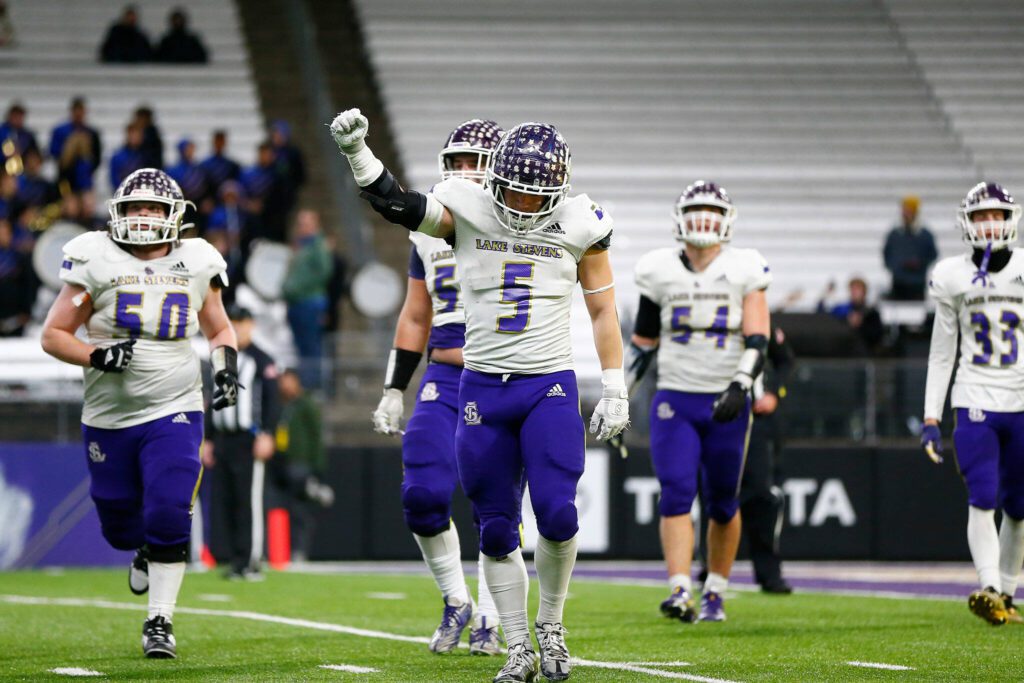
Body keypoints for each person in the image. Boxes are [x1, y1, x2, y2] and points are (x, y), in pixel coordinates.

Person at [331, 109, 629, 683]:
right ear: (496, 180)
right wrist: (358, 156)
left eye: (533, 196)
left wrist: (615, 388)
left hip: (548, 386)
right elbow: (397, 203)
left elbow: (603, 310)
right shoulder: (467, 208)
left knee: (559, 515)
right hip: (483, 388)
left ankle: (552, 626)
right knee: (494, 527)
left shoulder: (582, 221)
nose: (521, 207)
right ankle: (516, 644)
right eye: (513, 192)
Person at [39, 168, 239, 658]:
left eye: (153, 208)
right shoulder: (96, 258)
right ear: (117, 214)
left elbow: (219, 330)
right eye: (134, 208)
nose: (143, 217)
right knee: (120, 529)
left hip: (175, 405)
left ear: (175, 217)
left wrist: (226, 370)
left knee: (171, 511)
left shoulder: (196, 261)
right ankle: (142, 548)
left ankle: (160, 621)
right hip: (110, 415)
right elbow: (54, 335)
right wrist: (95, 355)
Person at [371, 119, 506, 656]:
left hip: (502, 376)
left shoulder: (522, 228)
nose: (466, 173)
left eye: (478, 161)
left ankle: (493, 618)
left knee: (494, 508)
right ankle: (457, 601)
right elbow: (414, 315)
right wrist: (392, 388)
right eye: (459, 162)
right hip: (446, 376)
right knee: (423, 496)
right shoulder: (429, 232)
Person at [627, 180, 771, 624]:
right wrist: (618, 396)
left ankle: (716, 591)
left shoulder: (746, 266)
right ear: (678, 219)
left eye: (711, 209)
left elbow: (758, 336)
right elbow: (643, 343)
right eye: (695, 209)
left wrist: (741, 385)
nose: (703, 219)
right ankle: (679, 588)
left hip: (727, 397)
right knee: (675, 492)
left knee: (724, 501)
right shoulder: (658, 270)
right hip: (675, 396)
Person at [921, 181, 1024, 626]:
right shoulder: (951, 274)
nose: (988, 223)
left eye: (995, 215)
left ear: (1009, 219)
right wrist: (931, 416)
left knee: (1019, 506)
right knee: (982, 495)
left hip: (1021, 397)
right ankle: (989, 586)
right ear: (967, 222)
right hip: (974, 395)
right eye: (980, 216)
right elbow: (943, 350)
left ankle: (1007, 592)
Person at [202, 304, 279, 580]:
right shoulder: (221, 358)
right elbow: (213, 401)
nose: (238, 328)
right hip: (223, 438)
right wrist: (208, 438)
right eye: (232, 322)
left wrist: (268, 432)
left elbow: (272, 400)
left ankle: (250, 558)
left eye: (242, 322)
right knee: (225, 499)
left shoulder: (262, 359)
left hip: (249, 438)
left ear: (251, 325)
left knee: (248, 501)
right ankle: (231, 557)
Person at [272, 368, 333, 562]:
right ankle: (278, 550)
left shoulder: (306, 404)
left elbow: (316, 436)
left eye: (288, 380)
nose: (284, 385)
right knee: (282, 508)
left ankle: (299, 550)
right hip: (283, 464)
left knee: (299, 510)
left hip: (301, 464)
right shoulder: (284, 405)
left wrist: (316, 469)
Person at [281, 209, 333, 389]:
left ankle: (314, 388)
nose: (302, 227)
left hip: (309, 303)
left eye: (306, 223)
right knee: (300, 348)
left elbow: (324, 273)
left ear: (315, 224)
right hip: (296, 303)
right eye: (300, 223)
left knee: (311, 349)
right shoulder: (300, 246)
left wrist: (297, 288)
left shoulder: (318, 246)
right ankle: (305, 386)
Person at [49, 97, 102, 220]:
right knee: (70, 208)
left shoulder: (91, 133)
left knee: (88, 207)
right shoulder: (61, 131)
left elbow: (96, 159)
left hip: (85, 181)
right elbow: (55, 155)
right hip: (66, 181)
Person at [883, 195, 938, 301]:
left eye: (910, 211)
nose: (907, 214)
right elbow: (886, 254)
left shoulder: (925, 235)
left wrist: (920, 264)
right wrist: (896, 267)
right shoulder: (894, 234)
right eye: (905, 211)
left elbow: (933, 254)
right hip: (898, 284)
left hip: (917, 284)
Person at [817, 277, 884, 354]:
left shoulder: (872, 313)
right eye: (852, 289)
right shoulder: (843, 309)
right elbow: (824, 316)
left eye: (857, 290)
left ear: (864, 292)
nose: (854, 292)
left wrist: (861, 325)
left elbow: (876, 336)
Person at [109, 124, 147, 191]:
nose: (135, 137)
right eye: (133, 134)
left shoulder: (146, 156)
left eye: (138, 135)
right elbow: (114, 179)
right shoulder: (118, 156)